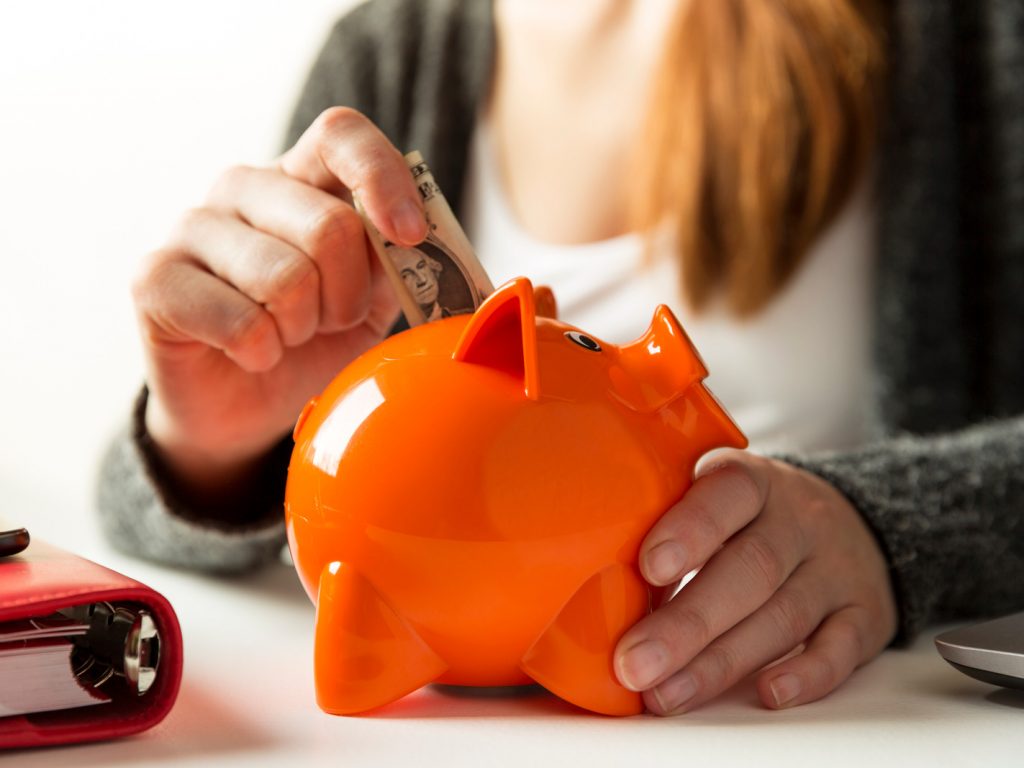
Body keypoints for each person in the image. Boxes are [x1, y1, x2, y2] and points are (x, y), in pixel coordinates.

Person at [99, 0, 1024, 717]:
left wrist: (888, 532)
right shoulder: (394, 51)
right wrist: (211, 449)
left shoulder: (976, 39)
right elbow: (149, 526)